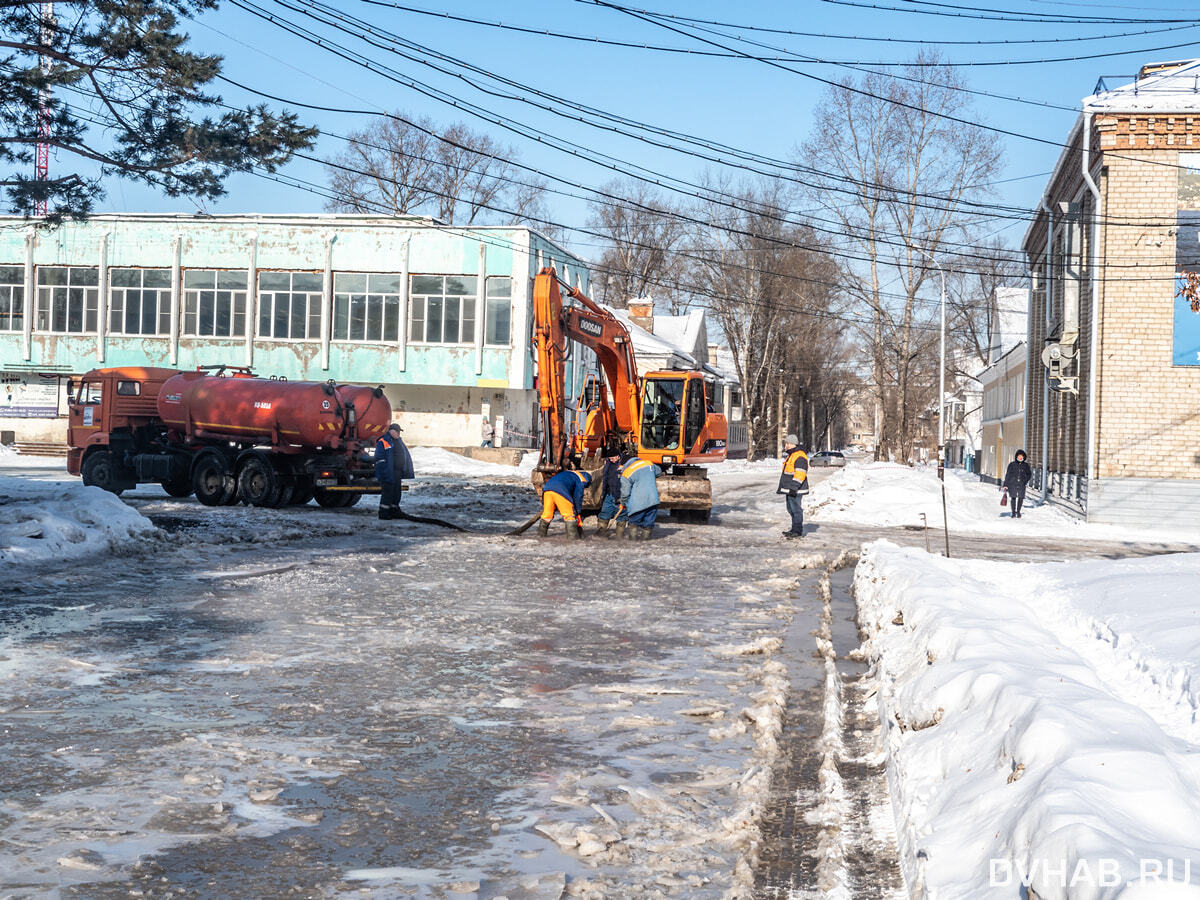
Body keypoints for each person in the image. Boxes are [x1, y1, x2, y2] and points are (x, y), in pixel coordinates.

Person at [538, 466, 592, 538]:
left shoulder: (569, 474)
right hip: (560, 491)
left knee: (547, 515)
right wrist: (577, 511)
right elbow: (578, 497)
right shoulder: (580, 480)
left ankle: (540, 537)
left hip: (547, 489)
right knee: (569, 516)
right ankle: (573, 541)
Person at [617, 456, 662, 541]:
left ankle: (633, 545)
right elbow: (659, 472)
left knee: (633, 524)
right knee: (648, 524)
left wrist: (623, 503)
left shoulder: (626, 473)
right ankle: (645, 543)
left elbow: (625, 493)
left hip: (637, 504)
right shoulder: (648, 463)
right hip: (653, 500)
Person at [375, 422, 414, 520]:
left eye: (399, 432)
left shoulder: (398, 441)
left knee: (396, 492)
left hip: (397, 472)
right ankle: (383, 512)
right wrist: (385, 472)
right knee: (388, 492)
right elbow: (380, 458)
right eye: (397, 432)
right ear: (391, 431)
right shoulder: (384, 441)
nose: (398, 434)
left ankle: (394, 510)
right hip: (388, 472)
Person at [777, 434, 809, 539]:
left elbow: (800, 473)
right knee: (790, 509)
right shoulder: (792, 455)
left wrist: (794, 487)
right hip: (790, 489)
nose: (785, 445)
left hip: (795, 489)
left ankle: (797, 531)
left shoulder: (799, 456)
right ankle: (794, 529)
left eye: (787, 443)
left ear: (792, 444)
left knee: (796, 510)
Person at [595, 446, 625, 537]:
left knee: (621, 516)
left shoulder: (624, 463)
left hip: (620, 494)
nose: (611, 460)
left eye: (612, 458)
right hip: (609, 493)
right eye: (609, 458)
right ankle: (600, 534)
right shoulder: (608, 463)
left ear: (618, 456)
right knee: (604, 513)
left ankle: (619, 537)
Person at [1002, 448, 1033, 519]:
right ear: (1016, 456)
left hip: (1022, 483)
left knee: (1021, 497)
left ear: (1024, 457)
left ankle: (1018, 512)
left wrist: (1025, 480)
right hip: (1012, 483)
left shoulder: (1026, 465)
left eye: (1021, 456)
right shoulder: (1012, 464)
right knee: (1013, 497)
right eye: (1019, 456)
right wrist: (1006, 484)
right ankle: (1013, 512)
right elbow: (1008, 475)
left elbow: (1029, 474)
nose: (1020, 457)